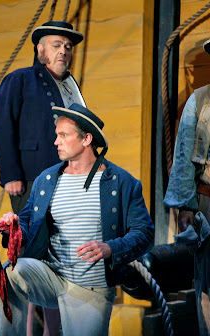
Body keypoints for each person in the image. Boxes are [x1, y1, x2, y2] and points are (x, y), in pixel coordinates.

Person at [0, 103, 154, 336]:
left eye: (63, 135)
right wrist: (13, 227)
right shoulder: (46, 180)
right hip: (50, 276)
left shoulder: (121, 182)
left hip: (90, 288)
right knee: (10, 272)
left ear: (86, 139)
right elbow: (27, 225)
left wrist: (111, 247)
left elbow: (144, 233)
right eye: (56, 135)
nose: (55, 142)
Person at [0, 20, 86, 214]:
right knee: (34, 238)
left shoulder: (71, 86)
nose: (63, 51)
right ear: (40, 49)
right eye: (57, 45)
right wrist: (10, 174)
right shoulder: (20, 79)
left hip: (71, 176)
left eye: (68, 47)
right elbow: (3, 126)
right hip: (32, 175)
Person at [164, 39, 210, 336]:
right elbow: (183, 158)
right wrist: (185, 208)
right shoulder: (200, 100)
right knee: (207, 279)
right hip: (209, 201)